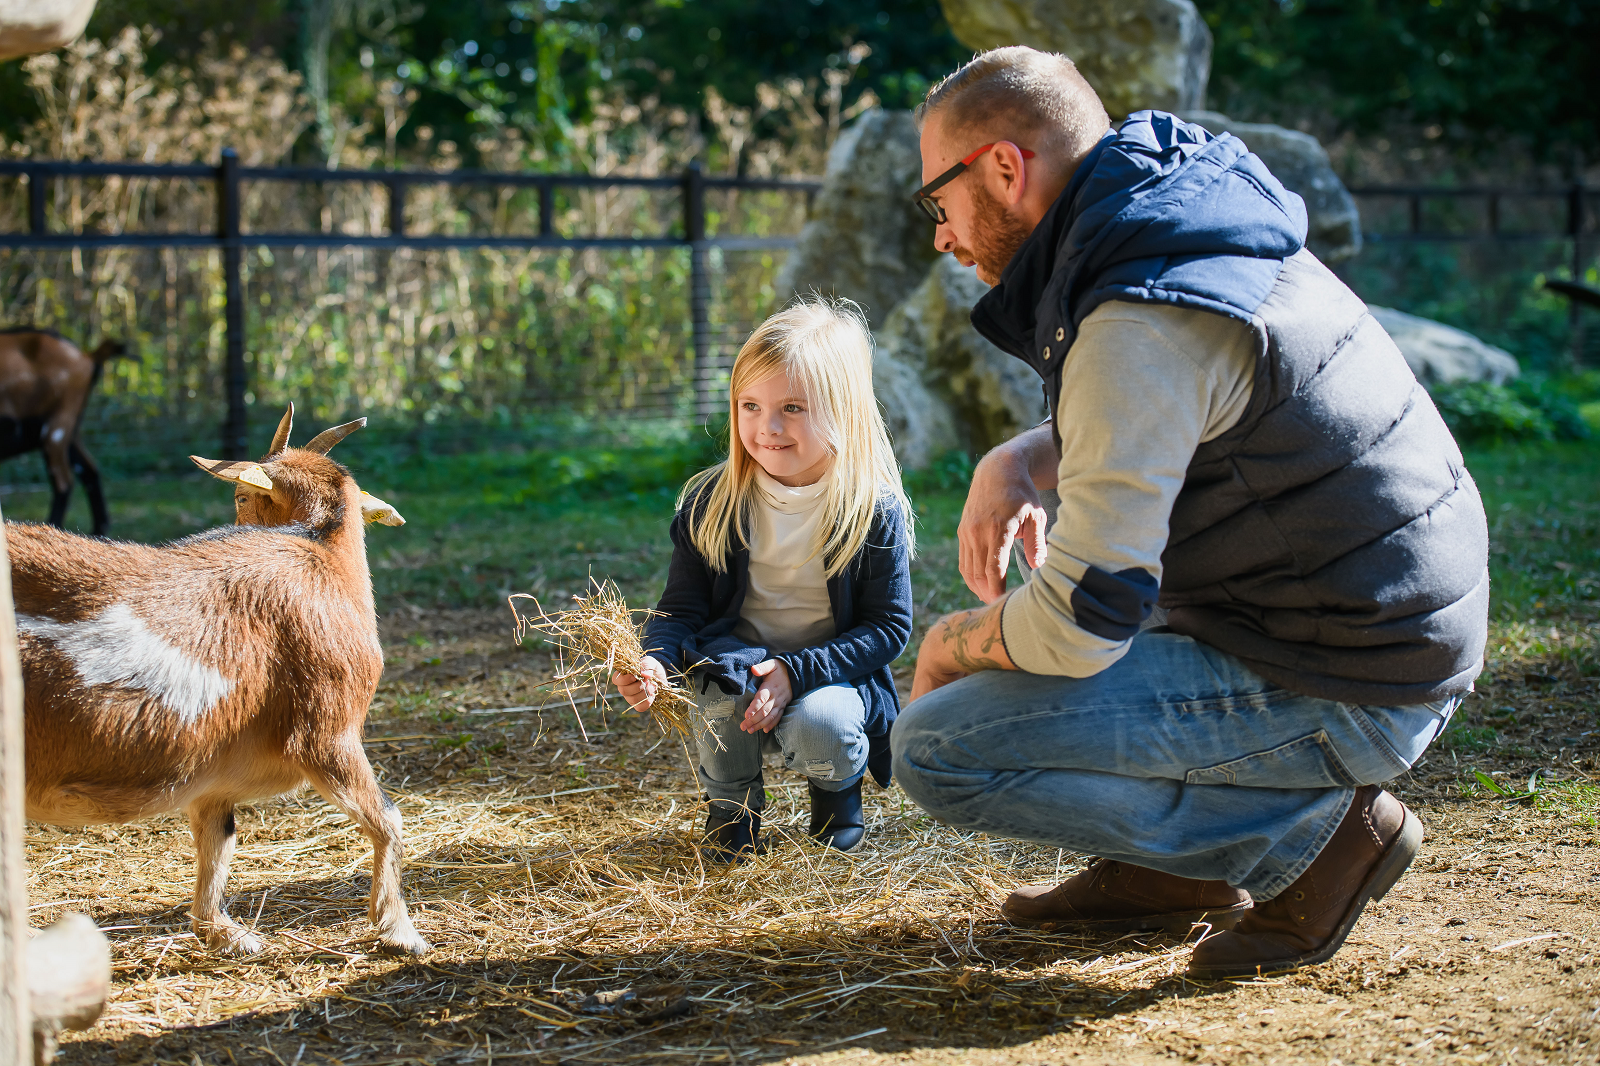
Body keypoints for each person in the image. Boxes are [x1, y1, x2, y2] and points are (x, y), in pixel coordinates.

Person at [889, 46, 1489, 978]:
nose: (941, 234)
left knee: (937, 744)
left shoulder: (1136, 313)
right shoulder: (1179, 223)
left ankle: (1317, 847)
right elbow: (1190, 406)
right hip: (1382, 620)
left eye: (939, 200)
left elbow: (1083, 623)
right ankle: (1174, 871)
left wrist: (951, 644)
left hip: (1355, 678)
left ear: (1004, 169)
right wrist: (1021, 452)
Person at [614, 298, 914, 862]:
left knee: (822, 723)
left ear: (843, 409)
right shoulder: (712, 502)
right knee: (717, 699)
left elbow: (888, 628)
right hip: (738, 660)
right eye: (749, 405)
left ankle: (835, 793)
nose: (766, 427)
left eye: (793, 407)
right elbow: (681, 611)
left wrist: (795, 672)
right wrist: (653, 657)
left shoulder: (871, 509)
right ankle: (733, 808)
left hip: (831, 671)